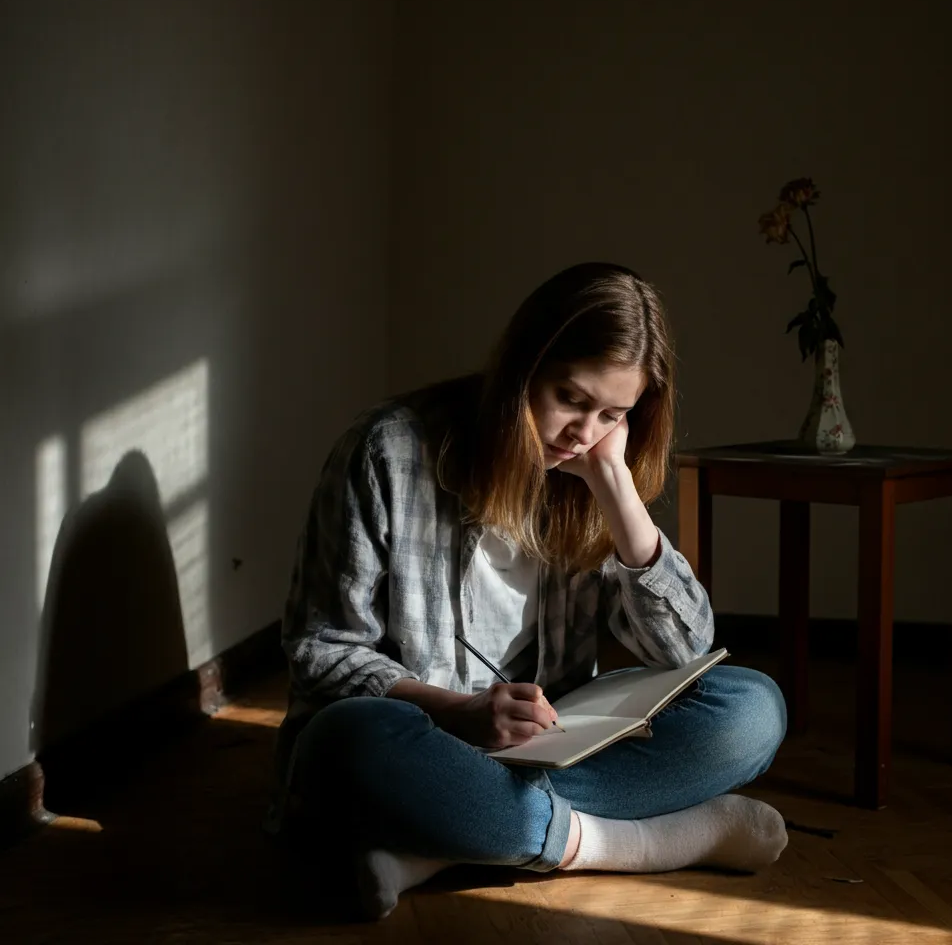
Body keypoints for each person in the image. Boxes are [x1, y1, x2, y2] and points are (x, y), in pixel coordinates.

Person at [269, 263, 788, 920]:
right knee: (345, 742)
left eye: (612, 413)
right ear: (523, 368)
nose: (584, 432)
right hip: (427, 737)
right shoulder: (388, 451)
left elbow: (684, 646)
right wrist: (460, 712)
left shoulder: (590, 471)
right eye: (571, 398)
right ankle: (639, 840)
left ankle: (438, 847)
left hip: (550, 745)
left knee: (751, 707)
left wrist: (617, 492)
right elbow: (322, 652)